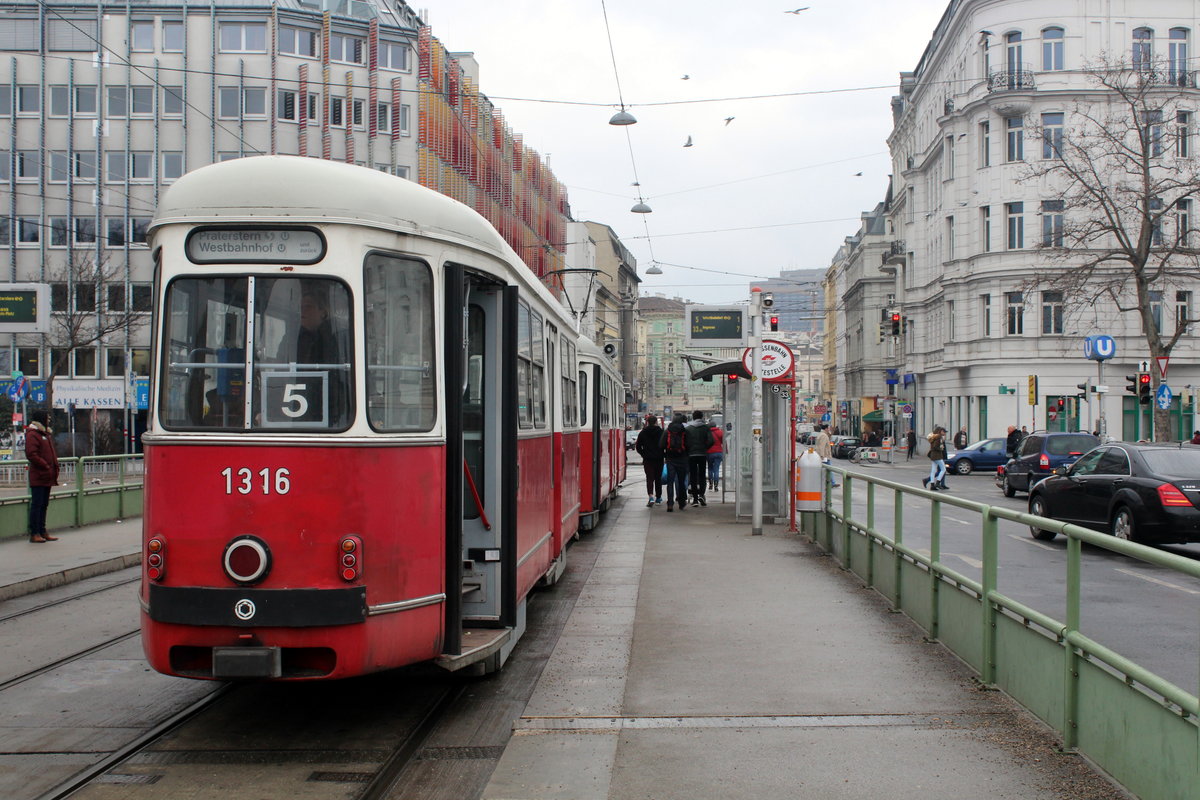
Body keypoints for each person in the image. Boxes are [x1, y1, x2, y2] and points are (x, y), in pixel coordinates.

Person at [25, 409, 60, 543]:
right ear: (41, 419)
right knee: (37, 504)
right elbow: (31, 454)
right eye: (47, 418)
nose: (49, 420)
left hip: (47, 475)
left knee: (44, 504)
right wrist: (45, 465)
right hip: (39, 474)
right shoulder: (33, 434)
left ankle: (42, 531)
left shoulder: (44, 434)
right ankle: (34, 532)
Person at [660, 413, 691, 512]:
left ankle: (670, 504)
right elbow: (689, 445)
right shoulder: (685, 431)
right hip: (682, 459)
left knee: (670, 482)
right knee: (681, 482)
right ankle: (681, 503)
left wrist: (666, 455)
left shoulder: (667, 431)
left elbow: (661, 445)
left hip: (670, 459)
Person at [685, 410, 715, 506]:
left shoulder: (688, 428)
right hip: (702, 454)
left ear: (693, 417)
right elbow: (711, 441)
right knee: (702, 475)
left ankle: (694, 499)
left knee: (693, 476)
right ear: (702, 417)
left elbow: (685, 442)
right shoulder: (706, 428)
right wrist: (705, 448)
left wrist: (689, 449)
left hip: (691, 455)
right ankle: (701, 494)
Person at [635, 415, 665, 507]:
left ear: (647, 422)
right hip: (659, 458)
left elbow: (638, 446)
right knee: (658, 478)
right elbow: (665, 445)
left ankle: (651, 497)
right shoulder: (661, 432)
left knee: (649, 478)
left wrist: (643, 454)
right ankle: (658, 498)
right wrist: (663, 454)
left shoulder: (643, 433)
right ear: (656, 422)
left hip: (648, 459)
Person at [923, 426, 948, 491]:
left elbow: (933, 446)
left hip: (933, 455)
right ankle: (938, 482)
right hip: (937, 455)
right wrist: (941, 448)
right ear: (940, 431)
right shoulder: (939, 437)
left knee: (933, 470)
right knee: (943, 469)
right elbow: (935, 446)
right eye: (944, 432)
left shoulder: (933, 437)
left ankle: (932, 485)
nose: (944, 433)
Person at [814, 423, 838, 488]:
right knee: (829, 469)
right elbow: (822, 446)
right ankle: (832, 483)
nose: (829, 429)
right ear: (826, 428)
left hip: (822, 455)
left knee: (825, 469)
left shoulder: (821, 434)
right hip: (824, 456)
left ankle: (829, 482)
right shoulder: (824, 436)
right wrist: (822, 456)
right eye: (829, 428)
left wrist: (830, 433)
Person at [707, 418, 725, 491]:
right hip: (718, 452)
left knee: (710, 468)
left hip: (709, 453)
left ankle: (710, 484)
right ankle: (716, 485)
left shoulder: (707, 433)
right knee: (716, 469)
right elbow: (724, 442)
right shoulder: (720, 432)